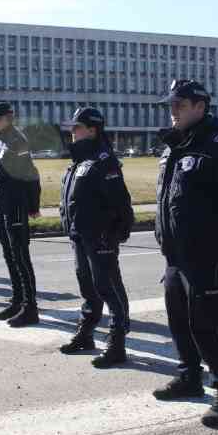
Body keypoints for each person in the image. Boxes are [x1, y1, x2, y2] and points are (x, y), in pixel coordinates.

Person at [152, 79, 218, 427]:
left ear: (200, 106)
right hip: (175, 255)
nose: (173, 111)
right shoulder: (175, 146)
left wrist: (208, 227)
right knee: (179, 321)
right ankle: (190, 377)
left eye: (179, 105)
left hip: (208, 256)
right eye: (171, 105)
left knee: (210, 326)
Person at [57, 107, 134, 367]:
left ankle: (117, 341)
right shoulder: (80, 159)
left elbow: (121, 203)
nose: (72, 131)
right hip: (80, 234)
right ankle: (86, 333)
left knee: (109, 288)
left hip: (99, 237)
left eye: (77, 127)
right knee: (88, 288)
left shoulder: (104, 161)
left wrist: (114, 234)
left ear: (92, 129)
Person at [0, 102, 42, 326]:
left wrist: (33, 206)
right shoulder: (1, 140)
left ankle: (31, 307)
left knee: (20, 256)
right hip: (4, 205)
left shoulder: (18, 141)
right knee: (9, 255)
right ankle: (18, 300)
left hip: (16, 205)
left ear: (9, 117)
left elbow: (31, 175)